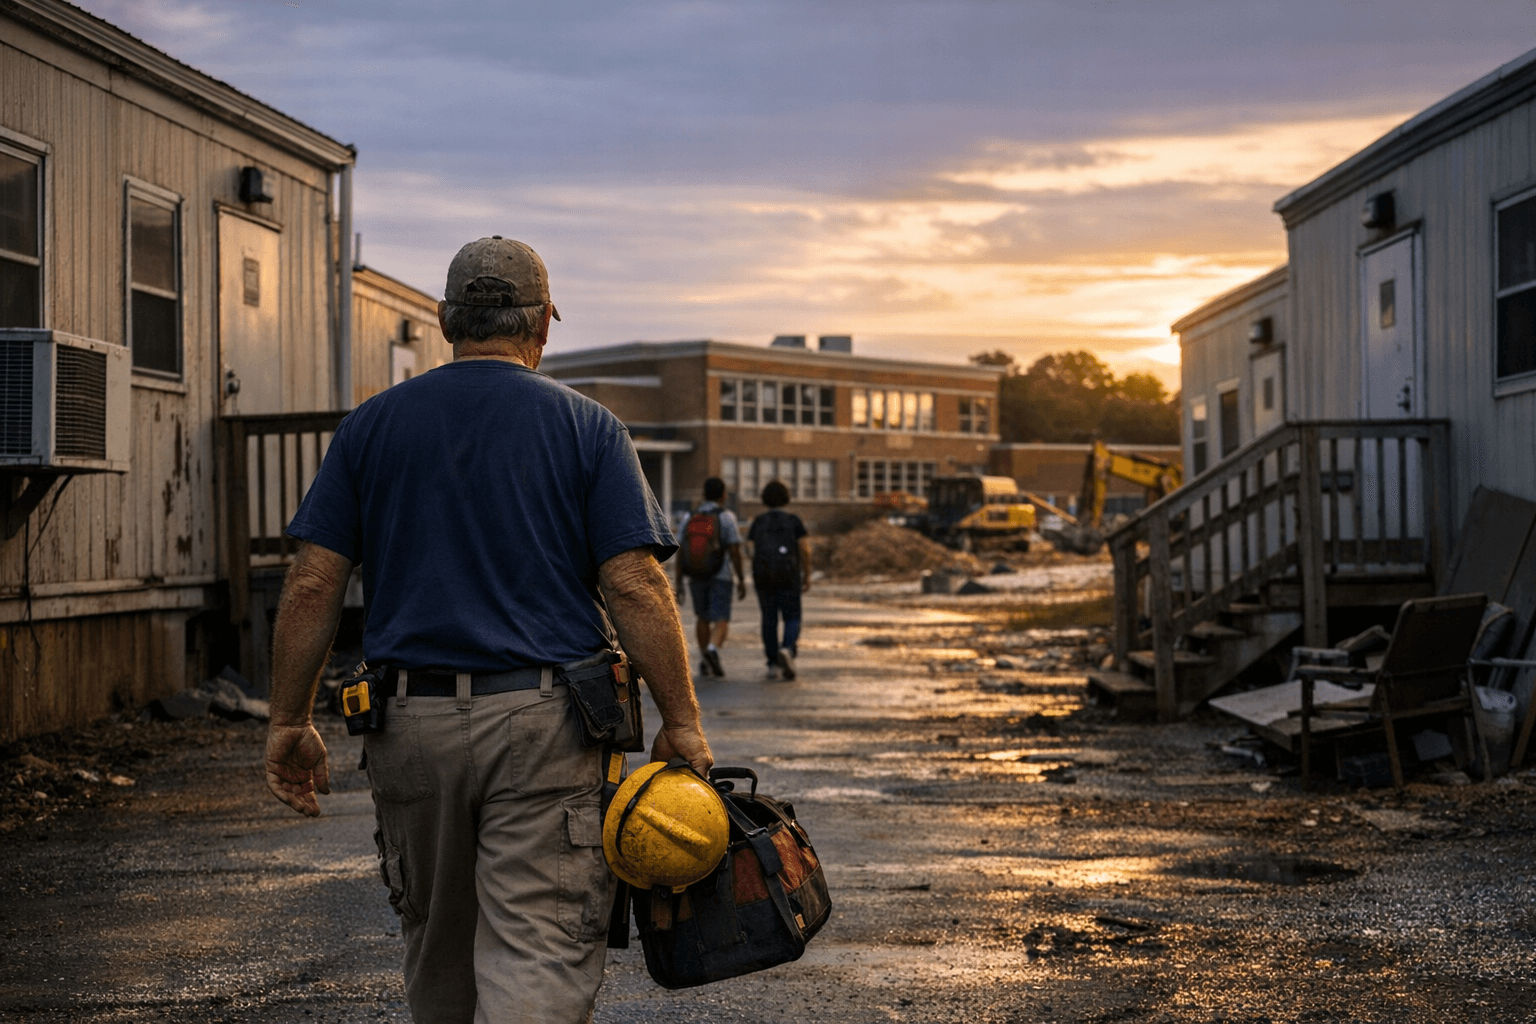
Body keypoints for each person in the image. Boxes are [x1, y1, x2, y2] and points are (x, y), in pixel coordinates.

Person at [262, 235, 713, 1024]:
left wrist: (289, 720)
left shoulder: (371, 428)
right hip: (546, 727)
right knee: (538, 948)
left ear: (444, 321)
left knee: (438, 947)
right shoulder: (588, 428)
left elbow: (311, 582)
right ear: (543, 325)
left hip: (410, 722)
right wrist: (681, 722)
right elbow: (634, 582)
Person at [674, 477, 746, 678]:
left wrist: (679, 582)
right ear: (723, 495)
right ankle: (713, 649)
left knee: (702, 617)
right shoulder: (726, 517)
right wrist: (740, 579)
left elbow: (681, 551)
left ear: (704, 494)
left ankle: (705, 657)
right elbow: (734, 550)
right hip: (721, 575)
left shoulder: (690, 516)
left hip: (695, 574)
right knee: (721, 618)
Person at [747, 480, 811, 680]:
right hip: (789, 575)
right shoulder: (793, 520)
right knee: (792, 616)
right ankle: (787, 649)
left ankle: (772, 664)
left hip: (764, 576)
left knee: (769, 618)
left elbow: (749, 548)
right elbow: (804, 549)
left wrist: (758, 562)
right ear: (786, 498)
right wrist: (807, 573)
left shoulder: (758, 521)